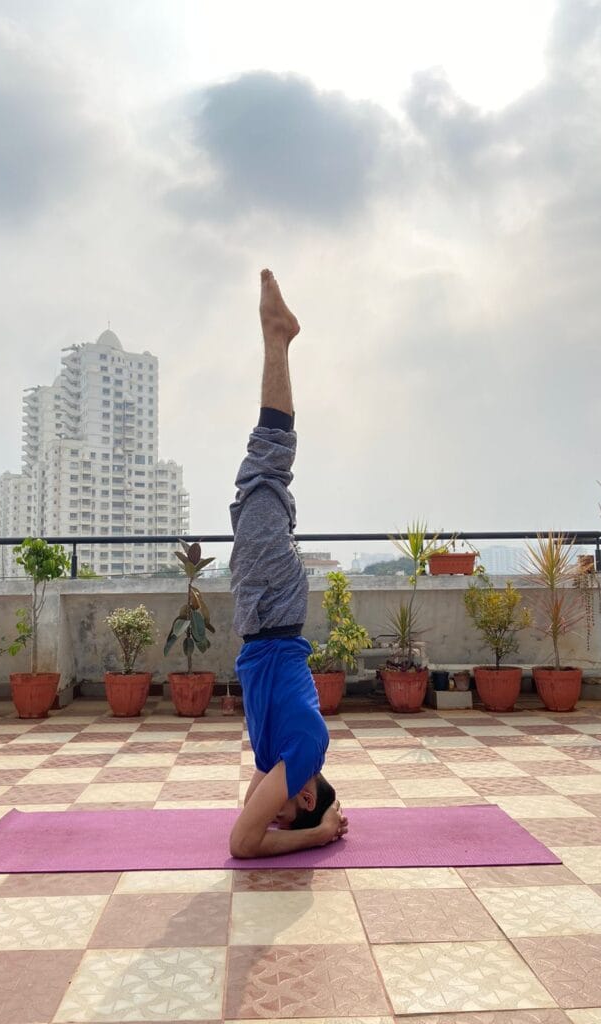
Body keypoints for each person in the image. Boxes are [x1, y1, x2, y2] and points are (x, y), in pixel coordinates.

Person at [228, 269, 349, 859]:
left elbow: (253, 812)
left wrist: (308, 821)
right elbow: (243, 843)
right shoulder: (301, 754)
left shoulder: (283, 760)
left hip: (266, 615)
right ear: (303, 795)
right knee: (265, 468)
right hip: (272, 608)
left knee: (258, 487)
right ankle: (277, 335)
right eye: (289, 813)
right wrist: (319, 834)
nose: (272, 815)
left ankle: (277, 336)